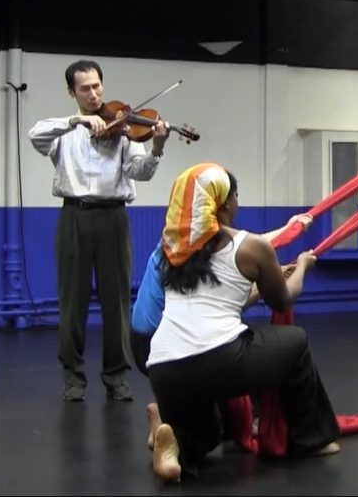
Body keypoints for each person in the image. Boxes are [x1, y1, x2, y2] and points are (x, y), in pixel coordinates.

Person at [145, 163, 340, 482]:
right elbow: (283, 299)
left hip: (164, 368)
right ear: (222, 204)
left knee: (208, 433)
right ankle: (306, 440)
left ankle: (174, 446)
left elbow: (226, 297)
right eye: (236, 196)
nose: (239, 203)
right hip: (217, 361)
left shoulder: (173, 249)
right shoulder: (250, 246)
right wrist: (303, 266)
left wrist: (269, 279)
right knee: (295, 341)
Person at [28, 59, 169, 402]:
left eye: (97, 86)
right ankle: (73, 377)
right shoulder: (63, 134)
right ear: (72, 92)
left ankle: (116, 376)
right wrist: (76, 120)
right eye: (85, 89)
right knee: (71, 301)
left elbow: (141, 172)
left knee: (116, 300)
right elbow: (35, 133)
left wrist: (158, 147)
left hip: (113, 218)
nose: (93, 94)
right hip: (74, 216)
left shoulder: (123, 128)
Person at [131, 212, 313, 450]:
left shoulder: (178, 244)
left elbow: (247, 245)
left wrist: (288, 229)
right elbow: (245, 256)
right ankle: (259, 420)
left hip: (147, 348)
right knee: (245, 348)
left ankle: (165, 422)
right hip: (168, 346)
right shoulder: (196, 253)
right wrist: (279, 279)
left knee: (208, 425)